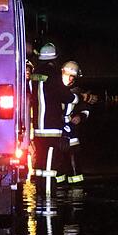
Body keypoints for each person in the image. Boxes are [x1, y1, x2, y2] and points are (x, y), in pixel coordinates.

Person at [28, 42, 78, 193]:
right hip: (52, 128)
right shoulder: (54, 74)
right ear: (54, 59)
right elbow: (64, 95)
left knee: (41, 166)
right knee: (50, 167)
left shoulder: (35, 74)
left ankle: (40, 199)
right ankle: (49, 202)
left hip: (38, 128)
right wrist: (76, 97)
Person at [59, 60, 90, 184]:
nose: (71, 80)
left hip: (72, 134)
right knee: (57, 164)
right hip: (56, 132)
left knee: (74, 162)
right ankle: (58, 189)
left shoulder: (77, 92)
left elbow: (86, 109)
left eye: (73, 77)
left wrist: (80, 117)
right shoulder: (54, 89)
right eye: (68, 76)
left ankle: (76, 191)